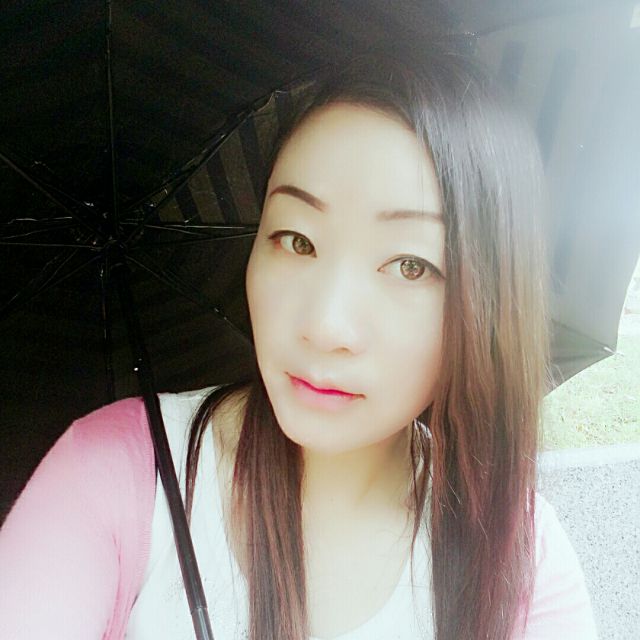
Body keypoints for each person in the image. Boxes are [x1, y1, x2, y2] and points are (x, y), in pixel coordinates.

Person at [0, 49, 598, 640]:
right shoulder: (117, 475)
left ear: (488, 301)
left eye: (410, 265)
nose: (325, 327)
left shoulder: (521, 563)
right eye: (297, 240)